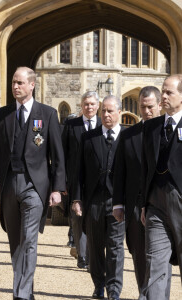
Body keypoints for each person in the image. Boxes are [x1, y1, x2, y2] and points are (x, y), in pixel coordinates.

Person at [0, 66, 66, 300]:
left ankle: (20, 293)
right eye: (13, 82)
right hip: (9, 183)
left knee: (29, 239)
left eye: (20, 83)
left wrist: (57, 188)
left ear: (32, 85)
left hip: (35, 186)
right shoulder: (3, 114)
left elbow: (57, 155)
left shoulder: (48, 113)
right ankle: (25, 290)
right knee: (15, 241)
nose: (15, 87)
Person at [113, 86, 172, 296]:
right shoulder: (128, 135)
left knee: (159, 259)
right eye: (142, 107)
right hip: (135, 208)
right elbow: (119, 172)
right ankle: (144, 293)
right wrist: (118, 204)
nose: (146, 111)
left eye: (150, 107)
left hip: (161, 207)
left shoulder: (168, 133)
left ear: (159, 105)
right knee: (139, 257)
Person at [72, 95, 125, 300]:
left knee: (115, 247)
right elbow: (79, 171)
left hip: (117, 201)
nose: (105, 114)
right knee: (95, 246)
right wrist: (77, 199)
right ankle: (99, 284)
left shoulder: (127, 137)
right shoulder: (89, 138)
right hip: (94, 200)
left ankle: (113, 289)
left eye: (110, 111)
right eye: (103, 110)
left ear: (119, 112)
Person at [139, 74, 182, 299]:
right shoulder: (152, 127)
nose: (163, 96)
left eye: (169, 92)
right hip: (155, 203)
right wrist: (144, 203)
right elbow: (146, 168)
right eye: (162, 91)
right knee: (154, 264)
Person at [62, 91, 101, 268]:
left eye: (92, 104)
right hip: (75, 180)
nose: (89, 107)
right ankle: (82, 255)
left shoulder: (103, 124)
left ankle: (95, 254)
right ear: (81, 105)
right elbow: (61, 154)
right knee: (77, 219)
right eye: (86, 104)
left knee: (96, 219)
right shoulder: (71, 125)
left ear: (98, 106)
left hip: (99, 183)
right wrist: (61, 182)